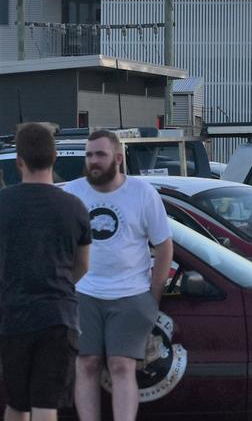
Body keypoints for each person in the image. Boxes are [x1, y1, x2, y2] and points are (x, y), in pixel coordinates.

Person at [64, 130, 173, 421]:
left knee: (122, 366)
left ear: (118, 158)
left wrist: (153, 297)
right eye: (89, 155)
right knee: (86, 364)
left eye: (100, 154)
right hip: (84, 294)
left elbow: (164, 246)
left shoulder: (142, 193)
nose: (93, 161)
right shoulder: (72, 193)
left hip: (131, 295)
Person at [0, 123, 92, 421]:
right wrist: (62, 284)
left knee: (17, 404)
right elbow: (82, 264)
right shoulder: (75, 207)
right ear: (54, 158)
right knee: (45, 404)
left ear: (19, 161)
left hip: (12, 316)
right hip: (58, 316)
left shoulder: (3, 205)